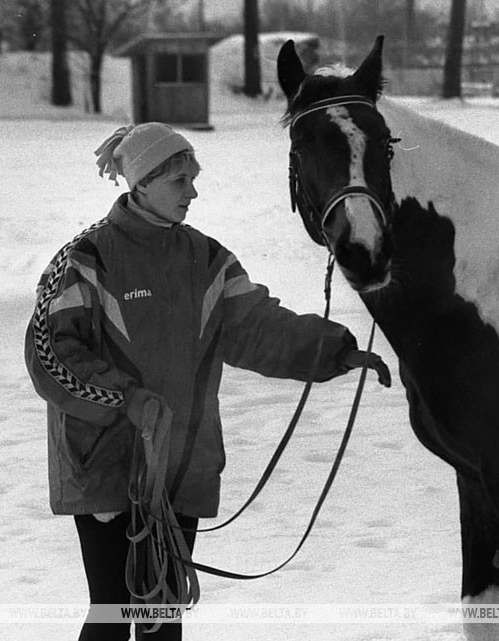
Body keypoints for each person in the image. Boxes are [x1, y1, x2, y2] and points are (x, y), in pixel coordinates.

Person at [24, 122, 390, 641]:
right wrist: (125, 399)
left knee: (162, 615)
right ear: (143, 182)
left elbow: (256, 326)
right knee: (112, 612)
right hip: (106, 464)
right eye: (179, 180)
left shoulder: (207, 258)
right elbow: (51, 355)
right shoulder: (85, 259)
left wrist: (336, 350)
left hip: (181, 462)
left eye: (193, 178)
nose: (193, 191)